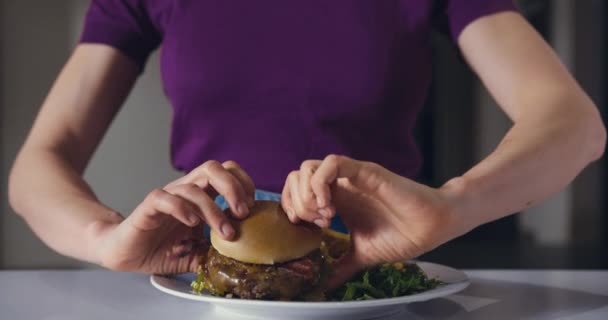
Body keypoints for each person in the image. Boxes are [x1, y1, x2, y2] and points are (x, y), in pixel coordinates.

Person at [8, 0, 605, 287]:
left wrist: (454, 204)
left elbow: (571, 122)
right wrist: (103, 238)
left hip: (373, 284)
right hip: (213, 285)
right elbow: (41, 160)